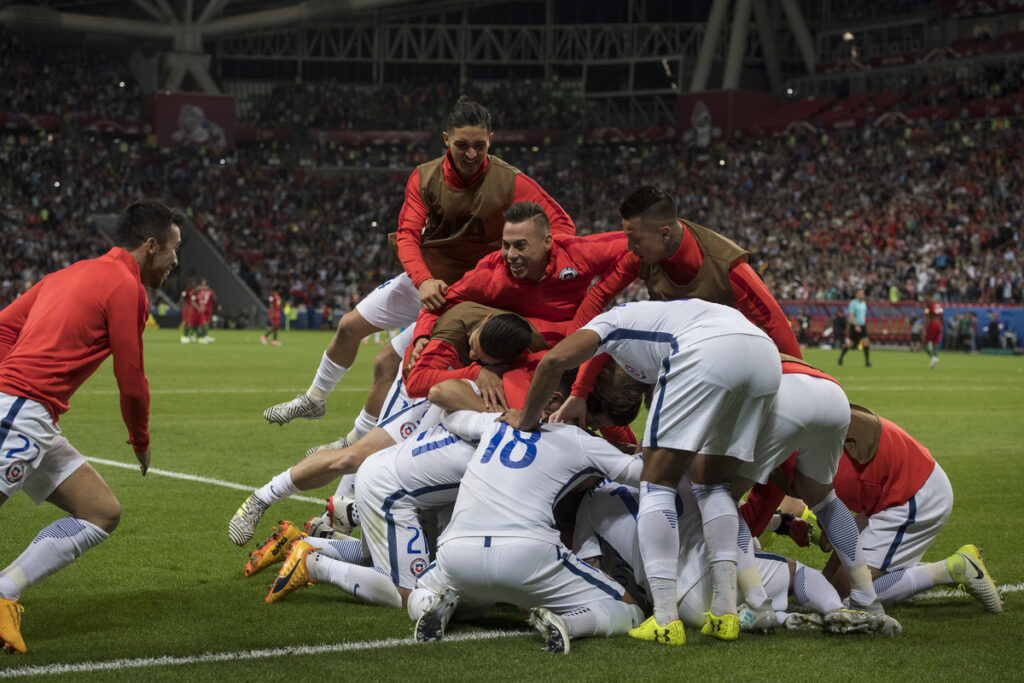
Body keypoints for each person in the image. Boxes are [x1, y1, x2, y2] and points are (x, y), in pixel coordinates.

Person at [262, 97, 575, 453]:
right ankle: (315, 398)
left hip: (468, 295)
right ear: (445, 139)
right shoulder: (425, 177)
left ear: (491, 139)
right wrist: (423, 279)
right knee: (349, 326)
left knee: (386, 363)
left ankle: (352, 443)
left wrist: (519, 267)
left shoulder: (511, 181)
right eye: (462, 146)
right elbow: (408, 234)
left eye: (480, 145)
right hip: (426, 278)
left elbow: (563, 226)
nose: (471, 154)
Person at [501, 299, 782, 645]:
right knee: (712, 486)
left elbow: (555, 359)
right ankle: (725, 614)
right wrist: (581, 394)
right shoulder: (658, 328)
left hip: (707, 350)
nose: (628, 393)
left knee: (656, 484)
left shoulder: (612, 321)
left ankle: (665, 619)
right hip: (765, 356)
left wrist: (527, 418)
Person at [0, 200, 182, 654]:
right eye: (174, 249)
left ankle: (4, 591)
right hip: (20, 408)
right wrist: (140, 440)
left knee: (100, 511)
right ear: (151, 245)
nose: (177, 261)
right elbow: (131, 379)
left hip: (33, 413)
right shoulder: (126, 286)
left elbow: (4, 327)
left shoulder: (68, 273)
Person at [228, 308, 537, 547]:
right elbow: (420, 382)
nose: (471, 353)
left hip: (458, 395)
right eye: (472, 347)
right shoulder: (459, 316)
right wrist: (468, 366)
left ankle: (325, 534)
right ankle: (263, 497)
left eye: (481, 356)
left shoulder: (525, 328)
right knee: (356, 458)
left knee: (432, 520)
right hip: (424, 386)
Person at [407, 409, 646, 654]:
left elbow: (451, 416)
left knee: (421, 589)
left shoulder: (498, 422)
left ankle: (430, 605)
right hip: (527, 554)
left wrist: (494, 411)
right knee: (631, 610)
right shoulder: (579, 439)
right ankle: (567, 623)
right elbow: (644, 474)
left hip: (459, 553)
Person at [741, 405, 1003, 614]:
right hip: (896, 483)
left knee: (848, 595)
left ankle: (950, 569)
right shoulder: (798, 423)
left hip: (912, 495)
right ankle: (907, 570)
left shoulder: (790, 462)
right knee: (827, 588)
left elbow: (754, 519)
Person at [410, 201, 628, 354]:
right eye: (506, 245)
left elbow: (635, 243)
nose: (511, 255)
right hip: (523, 353)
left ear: (547, 242)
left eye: (520, 245)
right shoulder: (489, 275)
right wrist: (421, 336)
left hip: (576, 340)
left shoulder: (577, 253)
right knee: (464, 315)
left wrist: (601, 292)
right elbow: (437, 304)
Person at [838, 289, 871, 367]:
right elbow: (851, 316)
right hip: (854, 326)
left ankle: (867, 362)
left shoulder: (864, 303)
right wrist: (856, 326)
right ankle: (840, 358)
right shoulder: (853, 303)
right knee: (851, 344)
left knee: (866, 342)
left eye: (862, 293)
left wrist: (863, 325)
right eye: (860, 293)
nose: (862, 295)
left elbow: (862, 316)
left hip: (862, 325)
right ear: (856, 295)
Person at [194, 279, 218, 344]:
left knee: (206, 323)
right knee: (203, 323)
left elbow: (214, 300)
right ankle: (200, 337)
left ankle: (204, 336)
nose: (203, 287)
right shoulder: (203, 292)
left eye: (204, 285)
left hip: (206, 309)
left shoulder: (204, 292)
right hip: (201, 309)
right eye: (202, 285)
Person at [923, 294, 943, 369]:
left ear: (930, 297)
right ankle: (935, 365)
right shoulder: (939, 305)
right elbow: (941, 317)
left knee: (924, 343)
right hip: (938, 324)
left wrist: (924, 328)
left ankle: (934, 358)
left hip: (932, 324)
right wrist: (941, 326)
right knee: (935, 344)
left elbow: (927, 317)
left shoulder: (929, 305)